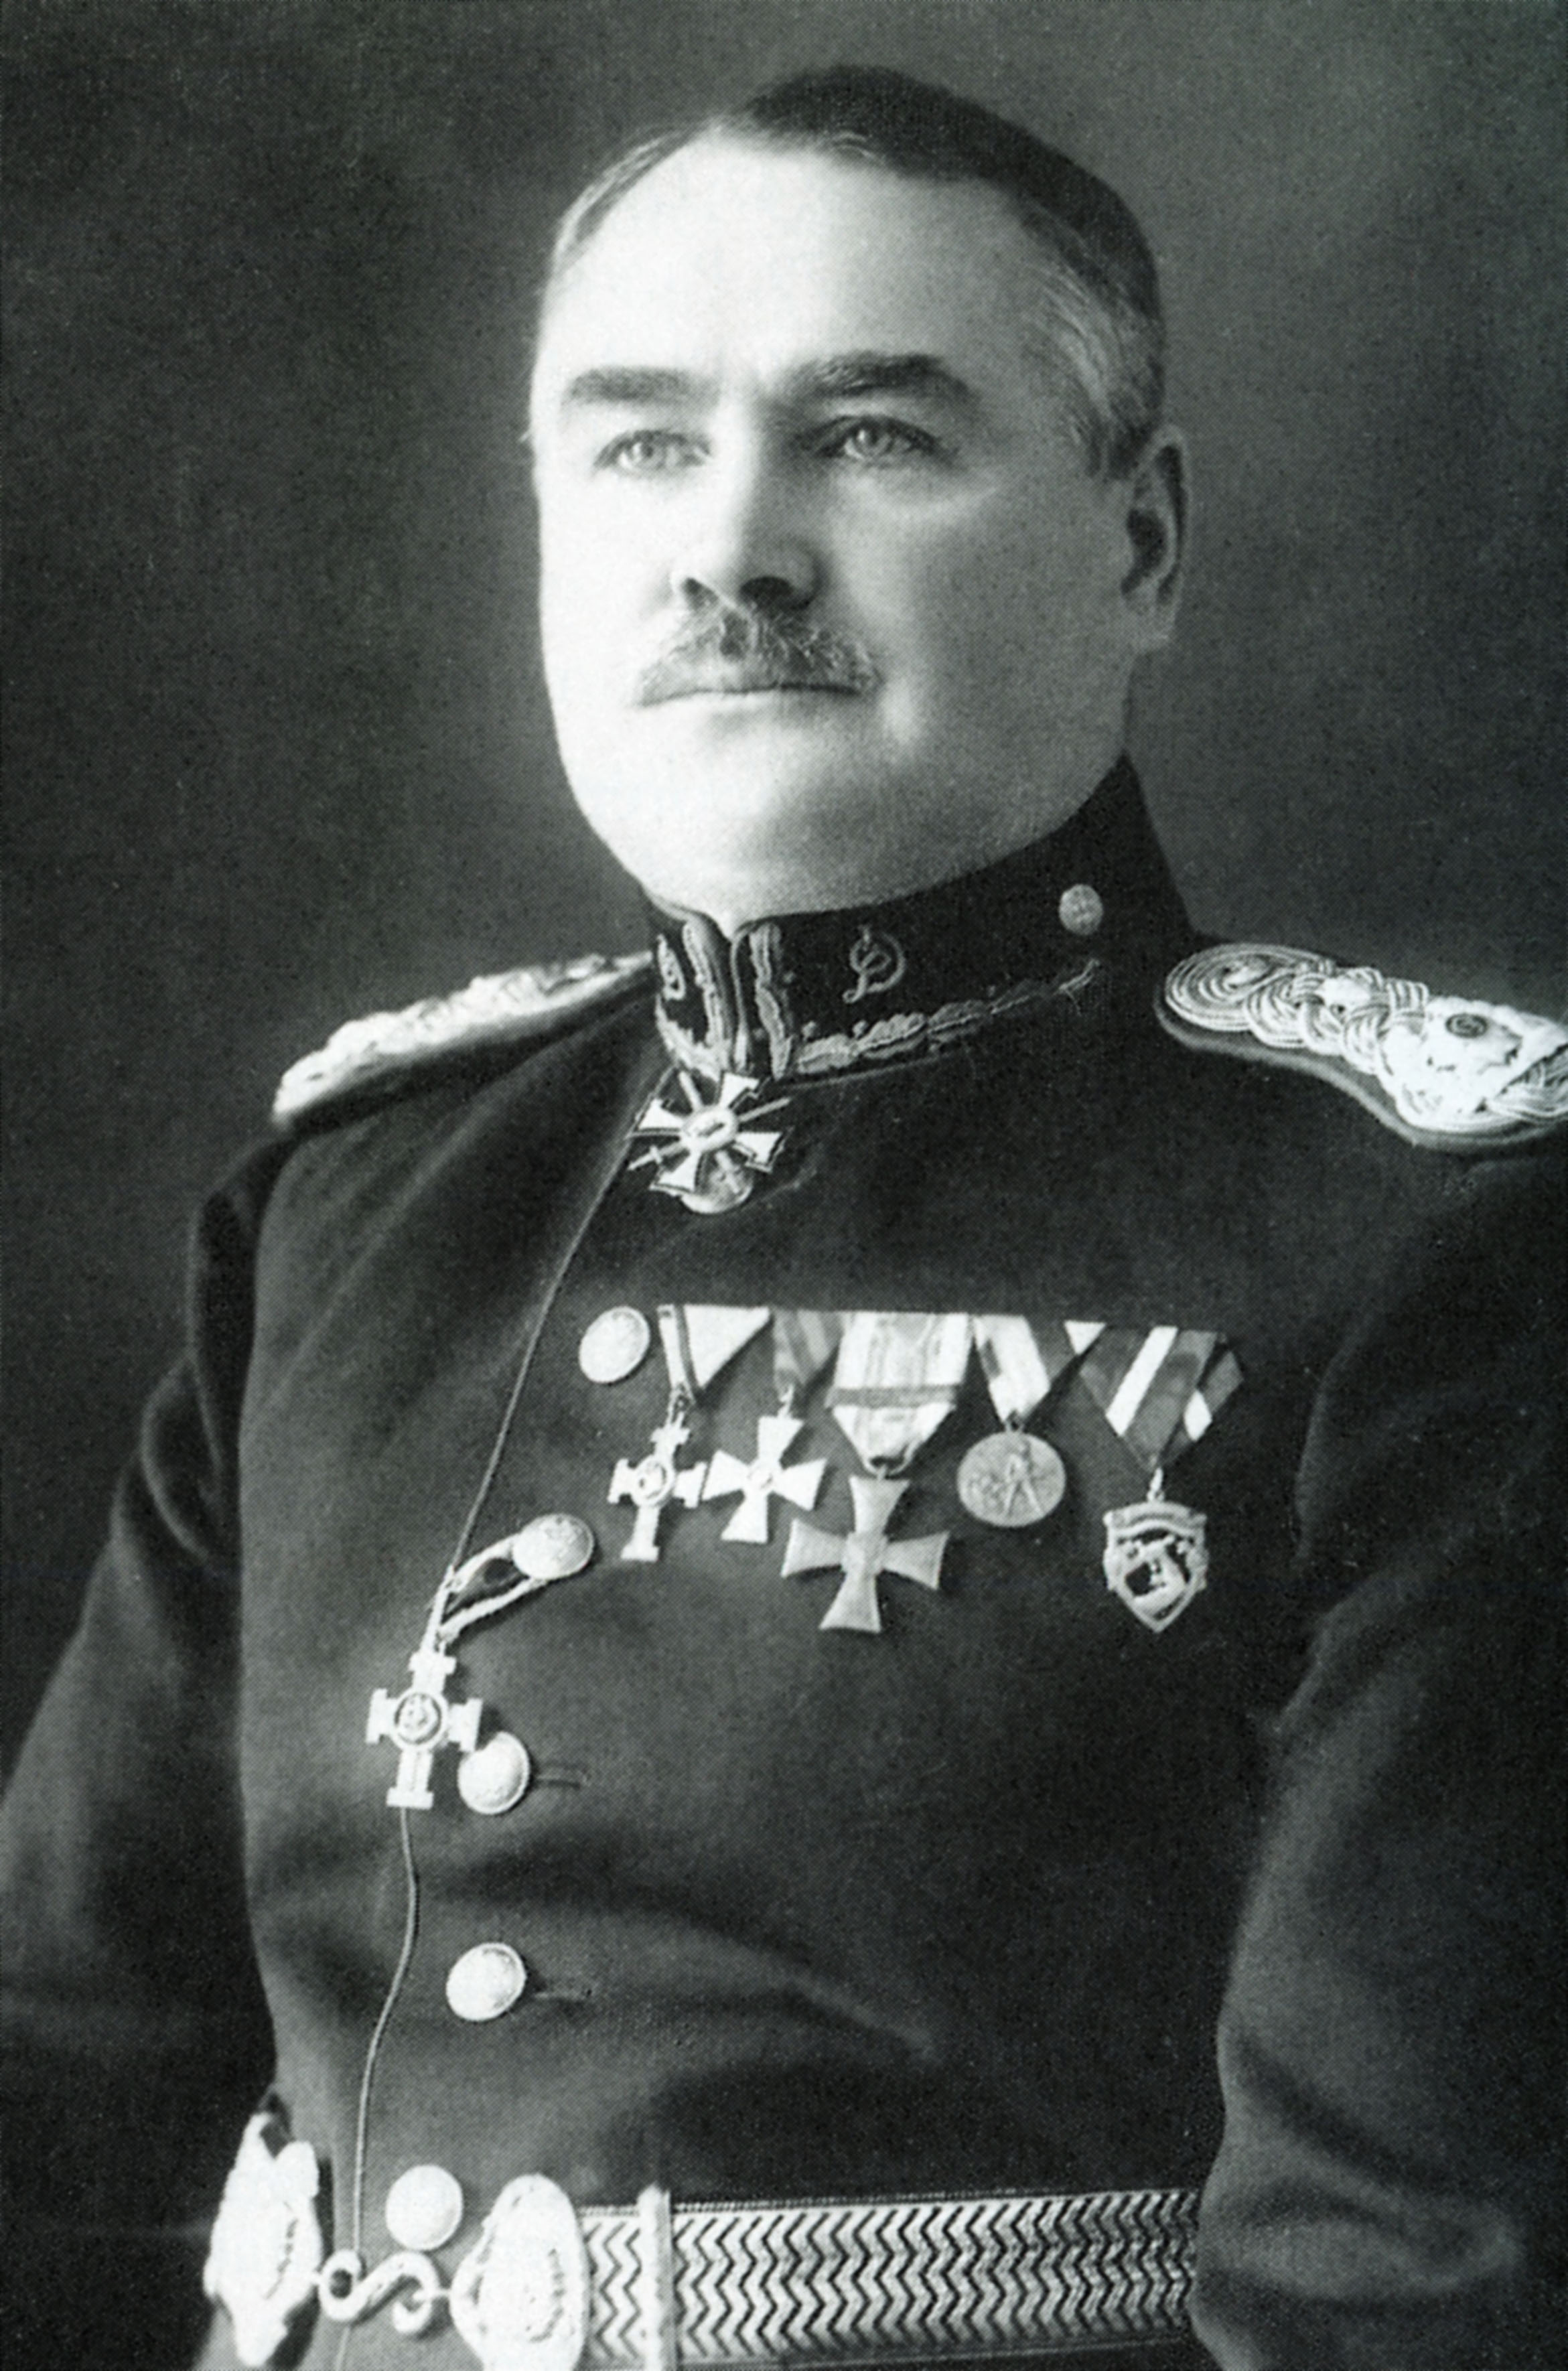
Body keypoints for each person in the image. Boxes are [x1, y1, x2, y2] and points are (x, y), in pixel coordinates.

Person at [2, 62, 1563, 2371]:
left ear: (1142, 546)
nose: (731, 549)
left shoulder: (1427, 1240)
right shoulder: (353, 1208)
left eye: (872, 436)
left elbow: (1405, 2293)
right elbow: (56, 2110)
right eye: (641, 446)